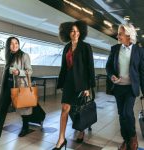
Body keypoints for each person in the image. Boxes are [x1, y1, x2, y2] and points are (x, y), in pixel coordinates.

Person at [52, 20, 95, 150]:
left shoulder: (86, 47)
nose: (75, 33)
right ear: (68, 33)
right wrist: (61, 83)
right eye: (72, 31)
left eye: (77, 31)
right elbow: (64, 67)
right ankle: (61, 138)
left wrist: (88, 87)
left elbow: (90, 67)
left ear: (80, 32)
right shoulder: (66, 47)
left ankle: (81, 130)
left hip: (82, 84)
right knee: (65, 109)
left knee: (79, 110)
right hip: (69, 83)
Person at [106, 23, 144, 150]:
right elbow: (109, 67)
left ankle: (133, 137)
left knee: (127, 113)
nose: (118, 36)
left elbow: (142, 72)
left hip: (131, 88)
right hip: (118, 87)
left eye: (120, 34)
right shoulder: (115, 49)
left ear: (128, 35)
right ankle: (126, 139)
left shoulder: (139, 51)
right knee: (121, 114)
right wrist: (111, 76)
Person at [0, 36, 33, 143]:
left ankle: (25, 127)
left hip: (19, 86)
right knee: (2, 110)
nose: (14, 45)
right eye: (12, 43)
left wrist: (19, 72)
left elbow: (29, 71)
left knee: (24, 109)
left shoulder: (24, 55)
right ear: (8, 46)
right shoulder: (8, 56)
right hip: (7, 87)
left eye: (16, 43)